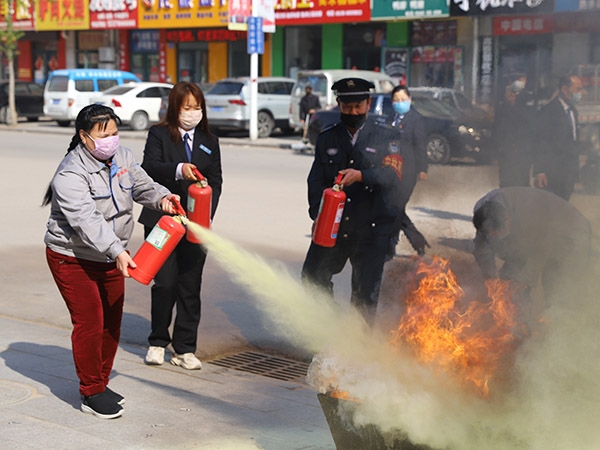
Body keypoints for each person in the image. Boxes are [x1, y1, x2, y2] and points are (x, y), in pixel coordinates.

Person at [43, 104, 179, 419]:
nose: (111, 140)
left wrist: (163, 198)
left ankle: (100, 382)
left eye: (115, 133)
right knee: (90, 322)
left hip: (112, 254)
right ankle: (90, 392)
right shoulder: (70, 173)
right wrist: (117, 251)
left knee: (111, 321)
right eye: (104, 135)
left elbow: (144, 187)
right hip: (72, 256)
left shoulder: (123, 158)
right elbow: (87, 220)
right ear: (83, 137)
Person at [301, 77, 402, 324]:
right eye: (347, 108)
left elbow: (393, 174)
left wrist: (362, 176)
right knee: (313, 277)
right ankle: (333, 328)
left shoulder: (386, 136)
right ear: (338, 105)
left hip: (371, 227)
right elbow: (316, 181)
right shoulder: (328, 137)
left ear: (368, 104)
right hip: (334, 227)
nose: (353, 112)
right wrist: (318, 215)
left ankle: (358, 349)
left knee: (364, 295)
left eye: (358, 107)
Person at [138, 82, 223, 370]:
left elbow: (216, 181)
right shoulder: (159, 134)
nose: (193, 113)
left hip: (196, 225)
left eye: (197, 108)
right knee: (165, 283)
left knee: (190, 285)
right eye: (187, 108)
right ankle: (157, 341)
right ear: (175, 108)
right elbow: (148, 167)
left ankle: (185, 348)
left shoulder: (209, 141)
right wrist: (179, 171)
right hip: (163, 221)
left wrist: (206, 215)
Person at [472, 187, 590, 311]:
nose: (493, 238)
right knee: (508, 280)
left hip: (568, 233)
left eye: (499, 233)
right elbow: (481, 248)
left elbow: (539, 253)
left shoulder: (529, 214)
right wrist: (491, 279)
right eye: (490, 234)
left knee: (555, 283)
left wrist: (524, 282)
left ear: (507, 218)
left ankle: (561, 322)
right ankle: (521, 319)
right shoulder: (482, 212)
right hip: (527, 239)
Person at [386, 85, 430, 259]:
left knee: (395, 207)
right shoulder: (391, 119)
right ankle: (417, 243)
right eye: (396, 100)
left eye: (403, 99)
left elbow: (420, 145)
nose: (400, 103)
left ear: (410, 100)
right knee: (394, 208)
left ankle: (391, 245)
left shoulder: (416, 119)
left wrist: (422, 169)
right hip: (391, 170)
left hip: (408, 172)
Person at [532, 75, 584, 200]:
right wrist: (540, 171)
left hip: (568, 172)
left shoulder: (573, 112)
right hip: (552, 173)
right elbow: (541, 142)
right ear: (565, 89)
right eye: (577, 89)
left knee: (564, 209)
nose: (580, 94)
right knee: (551, 210)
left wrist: (575, 172)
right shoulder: (548, 111)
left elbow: (573, 142)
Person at [492, 77, 534, 188]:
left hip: (522, 153)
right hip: (505, 154)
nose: (509, 96)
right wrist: (497, 148)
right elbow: (497, 129)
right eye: (508, 93)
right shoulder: (501, 108)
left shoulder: (525, 108)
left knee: (522, 182)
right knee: (506, 183)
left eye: (512, 93)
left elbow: (528, 127)